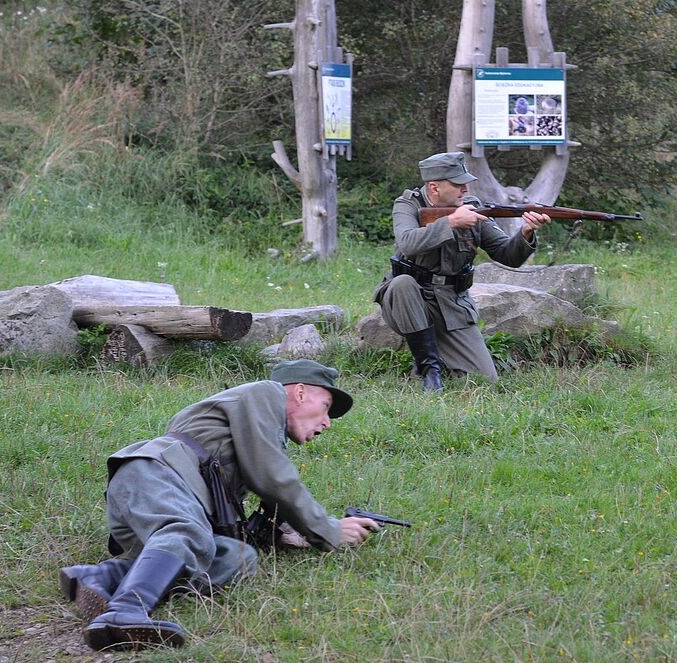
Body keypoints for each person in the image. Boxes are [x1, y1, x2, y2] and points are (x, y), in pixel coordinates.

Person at [59, 359, 378, 651]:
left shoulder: (251, 428)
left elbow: (261, 482)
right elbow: (272, 476)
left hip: (158, 497)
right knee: (185, 532)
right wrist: (328, 530)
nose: (327, 423)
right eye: (325, 407)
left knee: (236, 558)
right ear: (299, 393)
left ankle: (103, 576)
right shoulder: (266, 394)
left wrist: (288, 533)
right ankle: (125, 611)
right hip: (156, 475)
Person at [372, 151, 551, 390]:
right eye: (458, 184)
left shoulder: (472, 208)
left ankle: (441, 355)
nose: (465, 189)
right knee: (402, 283)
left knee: (485, 381)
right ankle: (429, 369)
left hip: (451, 304)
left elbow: (507, 254)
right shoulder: (408, 205)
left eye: (465, 183)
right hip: (409, 302)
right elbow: (407, 242)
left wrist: (526, 232)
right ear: (434, 188)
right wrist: (451, 223)